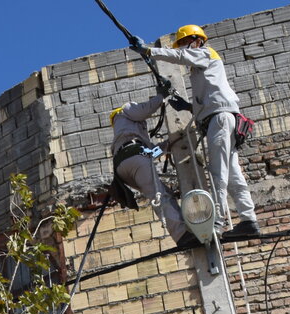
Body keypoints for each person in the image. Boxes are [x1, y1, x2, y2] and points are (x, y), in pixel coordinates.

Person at [139, 24, 260, 238]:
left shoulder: (205, 53)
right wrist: (186, 106)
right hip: (220, 118)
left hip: (219, 120)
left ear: (197, 40)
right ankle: (249, 220)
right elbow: (207, 100)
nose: (185, 47)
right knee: (232, 174)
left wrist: (149, 51)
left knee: (218, 174)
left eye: (186, 43)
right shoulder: (201, 70)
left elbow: (179, 56)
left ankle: (217, 223)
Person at [110, 94, 199, 250]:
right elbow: (145, 109)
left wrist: (169, 144)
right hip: (135, 159)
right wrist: (162, 96)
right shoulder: (125, 110)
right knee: (160, 196)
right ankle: (182, 235)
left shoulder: (127, 136)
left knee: (164, 193)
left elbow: (150, 152)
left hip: (125, 167)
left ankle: (183, 229)